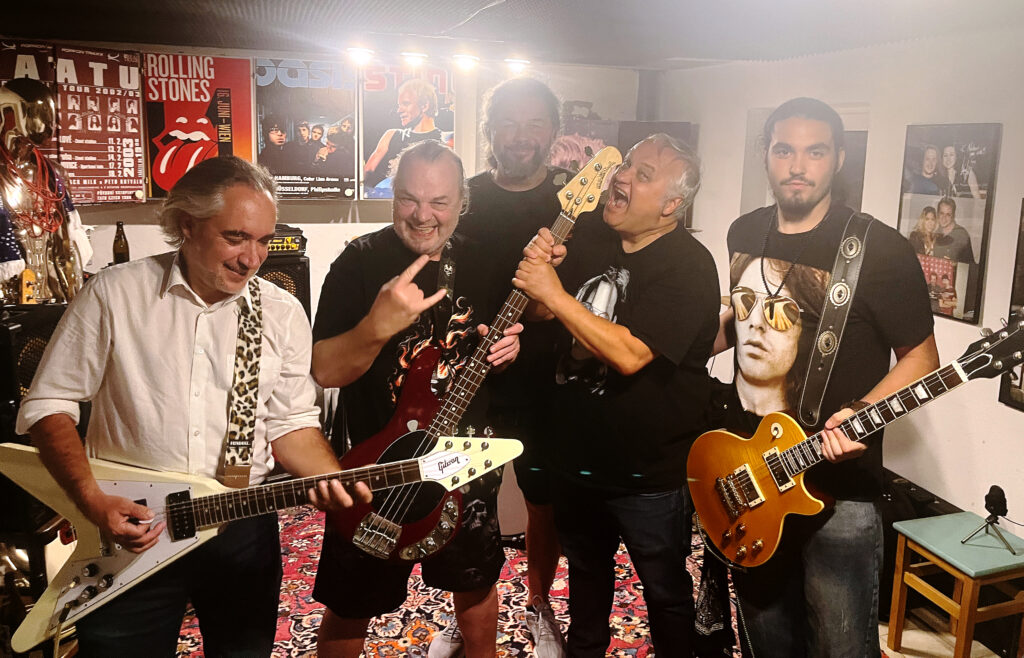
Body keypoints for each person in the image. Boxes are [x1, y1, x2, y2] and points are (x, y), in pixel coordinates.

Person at [15, 155, 371, 656]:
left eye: (263, 240)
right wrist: (92, 500)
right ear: (186, 225)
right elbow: (48, 403)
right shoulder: (115, 294)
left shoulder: (280, 311)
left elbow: (291, 422)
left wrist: (328, 478)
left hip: (242, 522)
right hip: (134, 527)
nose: (252, 258)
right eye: (235, 237)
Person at [715, 97, 938, 658]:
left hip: (841, 493)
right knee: (765, 636)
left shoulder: (880, 249)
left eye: (814, 152)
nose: (797, 166)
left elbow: (921, 358)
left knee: (841, 647)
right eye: (783, 150)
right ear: (766, 155)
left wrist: (860, 412)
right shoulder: (744, 230)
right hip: (751, 473)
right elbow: (738, 318)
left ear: (838, 158)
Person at [310, 140, 523, 658]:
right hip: (377, 466)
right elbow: (324, 370)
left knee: (475, 585)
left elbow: (504, 333)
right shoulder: (358, 262)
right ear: (392, 196)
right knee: (350, 600)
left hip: (465, 461)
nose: (423, 215)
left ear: (463, 202)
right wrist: (375, 327)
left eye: (439, 202)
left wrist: (511, 346)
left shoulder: (486, 260)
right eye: (408, 198)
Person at [514, 133, 720, 657]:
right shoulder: (590, 236)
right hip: (576, 461)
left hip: (648, 476)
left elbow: (630, 354)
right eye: (625, 164)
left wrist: (552, 290)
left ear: (672, 205)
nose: (621, 176)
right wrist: (541, 278)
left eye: (642, 174)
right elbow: (541, 312)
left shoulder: (690, 266)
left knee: (665, 593)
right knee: (586, 580)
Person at [457, 76, 568, 657]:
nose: (521, 136)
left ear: (553, 131)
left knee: (542, 502)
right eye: (508, 123)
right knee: (465, 505)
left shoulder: (574, 205)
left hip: (546, 383)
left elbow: (582, 297)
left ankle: (538, 603)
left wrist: (542, 311)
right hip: (467, 380)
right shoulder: (466, 198)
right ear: (489, 130)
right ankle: (468, 607)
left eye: (534, 123)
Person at [363, 78, 444, 189]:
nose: (399, 110)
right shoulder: (392, 135)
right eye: (399, 105)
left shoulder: (445, 140)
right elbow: (368, 170)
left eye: (406, 104)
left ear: (425, 105)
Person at [932, 196, 975, 263]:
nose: (944, 218)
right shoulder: (934, 231)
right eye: (941, 213)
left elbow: (969, 264)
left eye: (948, 215)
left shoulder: (962, 234)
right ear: (937, 214)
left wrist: (954, 264)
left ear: (953, 216)